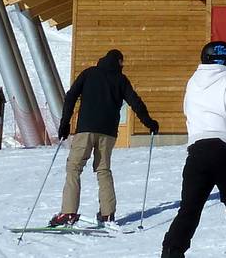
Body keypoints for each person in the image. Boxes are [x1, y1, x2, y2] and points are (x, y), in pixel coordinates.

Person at [161, 41, 226, 258]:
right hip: (223, 150)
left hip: (197, 150)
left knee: (189, 208)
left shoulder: (193, 81)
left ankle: (171, 252)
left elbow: (187, 109)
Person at [50, 49, 159, 228]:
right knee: (103, 170)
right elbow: (135, 102)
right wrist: (149, 123)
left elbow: (71, 96)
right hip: (108, 133)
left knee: (74, 167)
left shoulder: (89, 73)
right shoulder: (121, 80)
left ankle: (68, 212)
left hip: (86, 129)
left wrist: (65, 124)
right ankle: (107, 214)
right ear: (118, 62)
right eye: (122, 62)